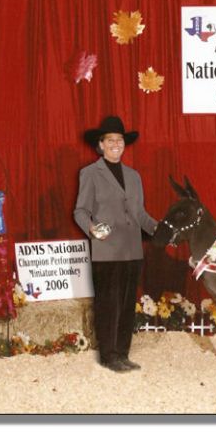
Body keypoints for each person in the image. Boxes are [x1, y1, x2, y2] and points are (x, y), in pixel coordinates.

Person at [74, 115, 158, 373]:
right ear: (100, 145)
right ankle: (109, 356)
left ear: (124, 144)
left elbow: (140, 214)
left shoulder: (133, 176)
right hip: (106, 250)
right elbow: (80, 211)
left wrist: (160, 230)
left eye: (119, 140)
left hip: (132, 250)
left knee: (126, 306)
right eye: (110, 140)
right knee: (108, 304)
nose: (115, 144)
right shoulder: (90, 173)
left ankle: (122, 353)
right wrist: (92, 229)